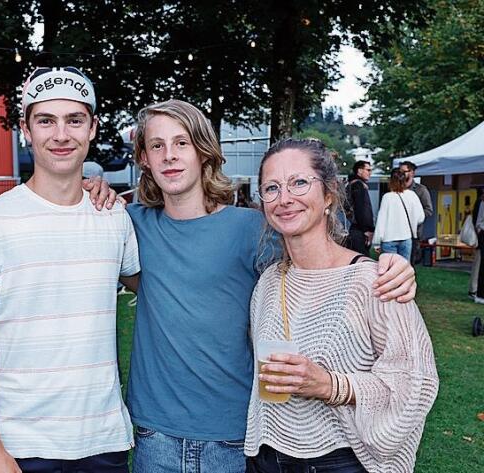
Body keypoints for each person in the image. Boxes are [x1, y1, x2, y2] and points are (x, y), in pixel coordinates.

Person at [123, 101, 417, 473]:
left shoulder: (252, 229)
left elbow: (319, 263)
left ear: (203, 151)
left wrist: (391, 265)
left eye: (182, 143)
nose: (170, 156)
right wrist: (94, 189)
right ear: (144, 158)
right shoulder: (128, 225)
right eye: (157, 145)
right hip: (155, 435)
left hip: (233, 434)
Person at [0, 66, 140, 473]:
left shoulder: (113, 217)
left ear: (92, 128)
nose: (61, 134)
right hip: (21, 443)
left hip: (102, 440)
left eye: (74, 120)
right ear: (26, 128)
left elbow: (155, 287)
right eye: (46, 121)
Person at [245, 138, 438, 472]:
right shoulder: (268, 283)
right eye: (271, 188)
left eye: (299, 182)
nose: (284, 198)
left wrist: (331, 385)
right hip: (267, 457)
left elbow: (416, 384)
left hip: (341, 461)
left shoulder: (375, 281)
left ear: (329, 195)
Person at [372, 169, 425, 260]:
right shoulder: (412, 195)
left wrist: (376, 242)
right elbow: (421, 217)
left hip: (388, 239)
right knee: (403, 269)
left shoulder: (387, 197)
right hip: (406, 237)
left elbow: (381, 220)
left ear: (391, 181)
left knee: (389, 269)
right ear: (404, 180)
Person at [399, 161, 434, 264]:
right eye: (400, 171)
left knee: (409, 264)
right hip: (396, 232)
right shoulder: (396, 188)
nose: (401, 174)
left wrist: (413, 215)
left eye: (404, 171)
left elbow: (429, 210)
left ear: (412, 173)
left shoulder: (420, 190)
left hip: (413, 233)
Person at [344, 161, 375, 255]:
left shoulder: (352, 184)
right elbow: (362, 209)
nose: (370, 173)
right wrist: (367, 229)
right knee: (363, 264)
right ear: (360, 170)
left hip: (354, 229)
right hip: (359, 230)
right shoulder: (358, 185)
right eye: (368, 170)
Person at [470, 191, 484, 300]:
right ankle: (475, 290)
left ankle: (474, 289)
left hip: (480, 235)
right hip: (481, 237)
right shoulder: (481, 202)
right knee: (479, 264)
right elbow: (478, 222)